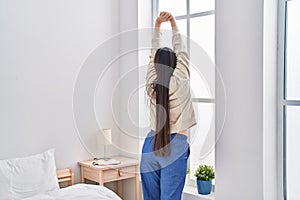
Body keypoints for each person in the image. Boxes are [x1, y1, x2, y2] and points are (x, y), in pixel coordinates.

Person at [140, 12, 197, 200]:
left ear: (156, 65)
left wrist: (157, 25)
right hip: (176, 146)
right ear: (175, 64)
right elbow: (181, 51)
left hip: (150, 145)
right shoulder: (181, 78)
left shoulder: (151, 84)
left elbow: (151, 56)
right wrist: (172, 24)